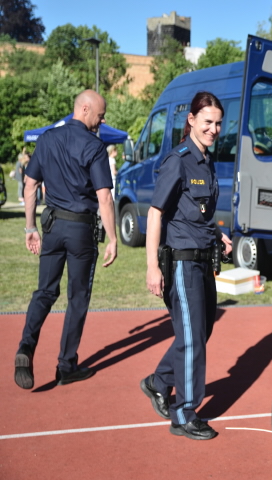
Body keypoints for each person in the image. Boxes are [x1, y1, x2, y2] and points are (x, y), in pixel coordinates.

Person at [141, 91, 232, 441]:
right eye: (207, 121)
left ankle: (159, 381)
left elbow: (199, 213)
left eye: (218, 123)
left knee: (199, 332)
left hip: (203, 259)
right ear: (192, 120)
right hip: (180, 262)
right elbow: (156, 214)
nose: (214, 128)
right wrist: (152, 266)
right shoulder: (176, 160)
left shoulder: (206, 160)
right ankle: (184, 412)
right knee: (193, 339)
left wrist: (218, 236)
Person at [14, 89, 118, 390]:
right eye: (100, 114)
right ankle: (66, 365)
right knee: (77, 298)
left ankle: (25, 348)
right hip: (81, 231)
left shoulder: (45, 140)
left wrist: (30, 227)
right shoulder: (95, 146)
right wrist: (112, 238)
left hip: (52, 227)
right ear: (84, 109)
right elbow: (105, 198)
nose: (102, 120)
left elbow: (30, 185)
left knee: (45, 292)